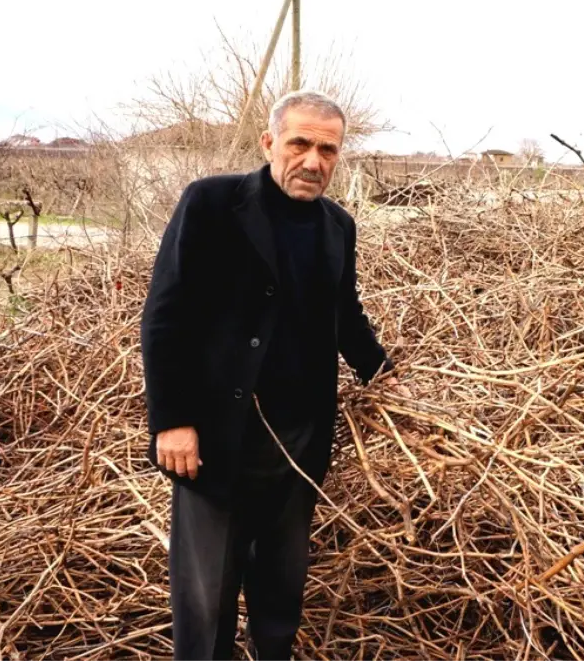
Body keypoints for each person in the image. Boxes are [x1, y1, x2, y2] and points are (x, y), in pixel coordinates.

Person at [140, 90, 402, 660]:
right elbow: (166, 313)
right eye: (300, 143)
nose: (313, 161)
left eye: (327, 150)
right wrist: (173, 421)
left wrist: (387, 376)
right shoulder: (211, 203)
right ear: (269, 143)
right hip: (214, 442)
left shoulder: (338, 225)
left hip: (297, 446)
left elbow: (345, 315)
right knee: (206, 605)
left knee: (280, 599)